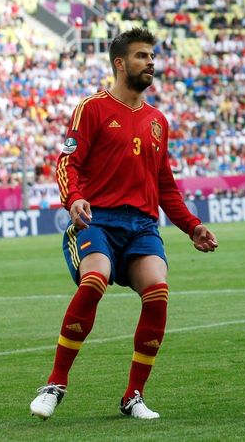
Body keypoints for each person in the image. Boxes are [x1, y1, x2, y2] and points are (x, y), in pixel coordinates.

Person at [29, 28, 218, 421]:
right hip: (97, 219)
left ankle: (133, 395)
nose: (150, 62)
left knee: (158, 292)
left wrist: (192, 225)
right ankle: (55, 383)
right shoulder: (92, 108)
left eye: (152, 56)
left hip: (142, 226)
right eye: (141, 56)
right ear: (120, 63)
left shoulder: (157, 121)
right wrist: (74, 198)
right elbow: (67, 163)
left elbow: (165, 185)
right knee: (95, 279)